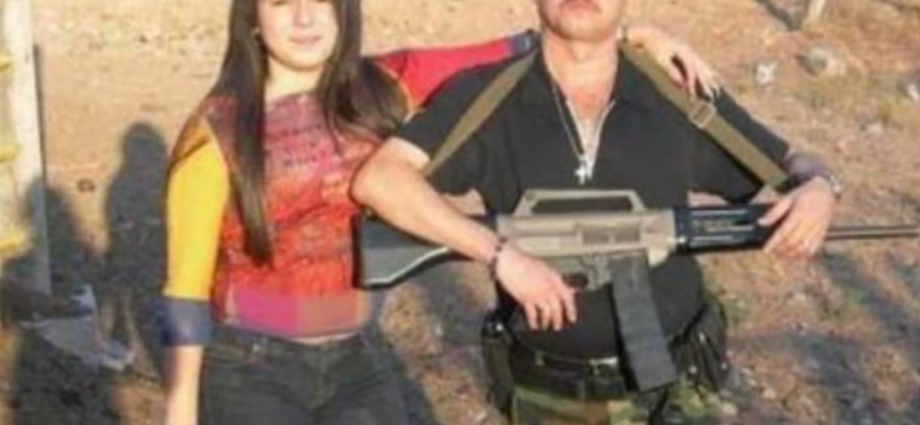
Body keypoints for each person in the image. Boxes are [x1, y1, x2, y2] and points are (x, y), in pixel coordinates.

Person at [160, 0, 718, 424]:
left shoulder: (388, 84)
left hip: (356, 356)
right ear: (253, 20)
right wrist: (180, 410)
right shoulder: (216, 132)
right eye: (282, 2)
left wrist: (632, 35)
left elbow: (523, 48)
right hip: (250, 365)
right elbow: (185, 293)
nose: (305, 17)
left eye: (321, 0)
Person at [352, 0, 840, 423]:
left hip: (676, 385)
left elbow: (793, 161)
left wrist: (820, 188)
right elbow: (381, 180)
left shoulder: (677, 91)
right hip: (547, 397)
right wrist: (499, 254)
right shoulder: (485, 96)